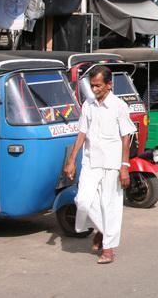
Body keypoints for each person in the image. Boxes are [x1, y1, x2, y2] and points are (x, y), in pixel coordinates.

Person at [64, 65, 136, 264]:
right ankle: (103, 230)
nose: (94, 89)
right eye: (92, 86)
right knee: (83, 200)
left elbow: (125, 137)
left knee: (109, 205)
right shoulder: (88, 105)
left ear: (109, 85)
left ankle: (108, 249)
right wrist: (72, 160)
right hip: (90, 161)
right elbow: (82, 133)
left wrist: (124, 167)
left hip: (113, 164)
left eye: (98, 86)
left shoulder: (119, 106)